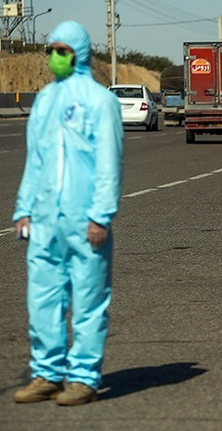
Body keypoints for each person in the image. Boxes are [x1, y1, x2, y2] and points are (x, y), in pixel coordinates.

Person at [12, 21, 123, 405]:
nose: (53, 57)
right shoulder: (44, 100)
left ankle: (83, 377)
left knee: (89, 300)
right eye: (51, 50)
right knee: (42, 299)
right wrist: (23, 209)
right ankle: (46, 373)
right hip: (43, 221)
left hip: (84, 219)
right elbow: (35, 160)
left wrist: (100, 215)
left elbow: (110, 162)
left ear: (78, 52)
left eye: (61, 50)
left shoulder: (99, 101)